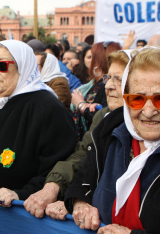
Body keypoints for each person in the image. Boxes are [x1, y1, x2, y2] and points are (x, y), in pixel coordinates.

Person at [65, 46, 160, 233]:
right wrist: (80, 202)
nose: (148, 112)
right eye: (137, 99)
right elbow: (84, 180)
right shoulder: (109, 132)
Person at [24, 50, 129, 219]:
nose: (108, 86)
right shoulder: (103, 116)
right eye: (108, 78)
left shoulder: (147, 127)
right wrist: (54, 186)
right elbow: (83, 155)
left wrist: (82, 200)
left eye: (118, 79)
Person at [0, 40, 77, 206]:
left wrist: (20, 194)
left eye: (2, 65)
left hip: (21, 215)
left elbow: (57, 169)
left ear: (22, 66)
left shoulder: (48, 107)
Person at [71, 41, 121, 140]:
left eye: (92, 57)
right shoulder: (97, 83)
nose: (90, 61)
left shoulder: (107, 86)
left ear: (100, 60)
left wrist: (81, 104)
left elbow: (105, 118)